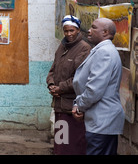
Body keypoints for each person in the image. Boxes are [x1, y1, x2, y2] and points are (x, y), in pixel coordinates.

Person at [72, 17, 125, 155]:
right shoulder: (101, 50)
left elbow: (94, 89)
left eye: (94, 27)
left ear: (105, 32)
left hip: (102, 120)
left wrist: (79, 106)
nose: (89, 30)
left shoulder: (105, 52)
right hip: (100, 120)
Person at [47, 15, 91, 155]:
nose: (69, 34)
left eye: (72, 30)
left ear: (78, 30)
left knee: (72, 144)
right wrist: (51, 85)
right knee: (61, 142)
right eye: (66, 31)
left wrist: (60, 88)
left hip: (72, 106)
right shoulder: (62, 46)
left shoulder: (84, 49)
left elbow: (80, 78)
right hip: (59, 104)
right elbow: (52, 70)